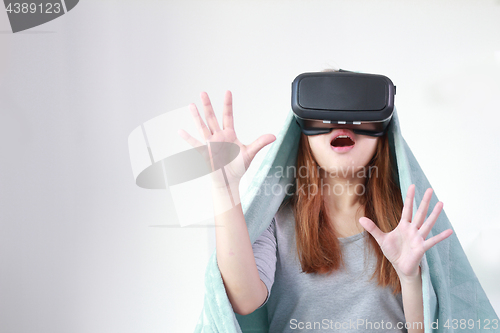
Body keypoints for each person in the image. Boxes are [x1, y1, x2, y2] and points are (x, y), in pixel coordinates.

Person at [177, 77, 453, 333]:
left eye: (358, 114)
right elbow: (244, 301)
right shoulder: (275, 220)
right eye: (324, 112)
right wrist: (224, 188)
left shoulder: (406, 222)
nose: (342, 125)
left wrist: (410, 277)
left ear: (382, 131)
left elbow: (424, 329)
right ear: (303, 132)